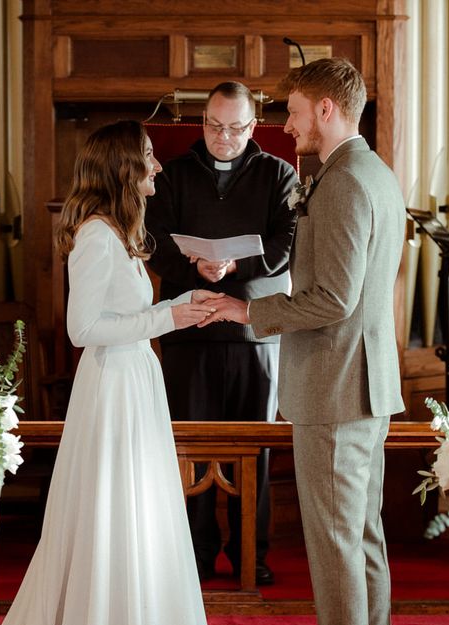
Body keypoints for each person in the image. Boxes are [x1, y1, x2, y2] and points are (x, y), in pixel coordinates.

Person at [0, 120, 224, 625]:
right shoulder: (97, 235)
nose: (158, 166)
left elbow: (125, 314)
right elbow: (83, 330)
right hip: (113, 389)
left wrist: (181, 302)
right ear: (123, 167)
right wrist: (166, 319)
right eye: (148, 157)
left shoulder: (117, 233)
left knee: (138, 517)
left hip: (134, 382)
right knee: (112, 517)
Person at [200, 58, 406, 625]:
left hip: (336, 387)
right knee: (361, 538)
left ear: (325, 109)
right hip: (360, 384)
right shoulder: (374, 173)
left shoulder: (344, 181)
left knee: (337, 543)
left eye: (290, 111)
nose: (284, 126)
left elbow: (335, 300)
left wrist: (247, 309)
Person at [145, 81, 298, 585]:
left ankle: (251, 555)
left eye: (235, 127)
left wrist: (235, 265)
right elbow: (155, 240)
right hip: (189, 330)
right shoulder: (174, 175)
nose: (224, 137)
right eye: (214, 125)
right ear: (201, 122)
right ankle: (195, 554)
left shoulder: (279, 174)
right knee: (191, 449)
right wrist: (200, 272)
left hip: (255, 334)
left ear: (253, 127)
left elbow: (287, 242)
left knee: (254, 448)